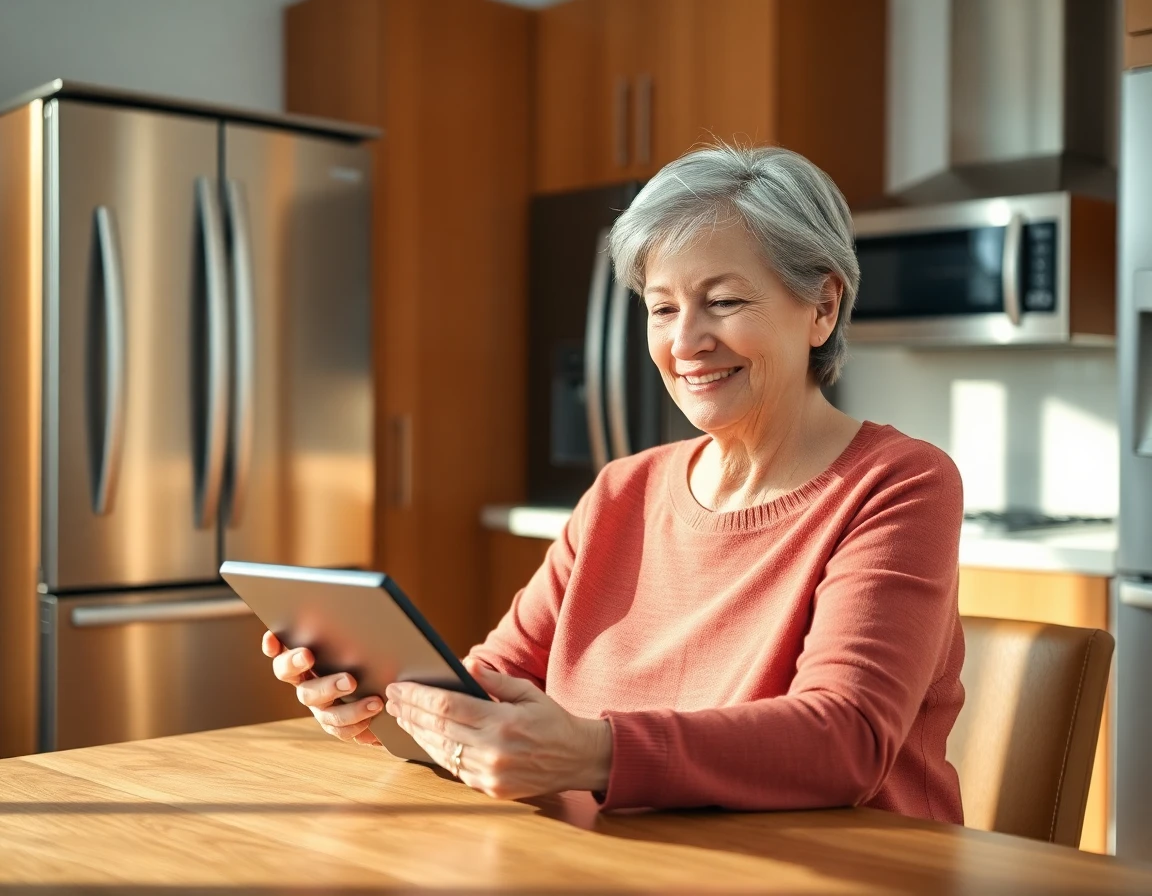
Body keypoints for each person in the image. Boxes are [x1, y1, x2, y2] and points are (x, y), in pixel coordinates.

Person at [263, 143, 966, 823]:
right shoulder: (622, 491)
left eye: (722, 302)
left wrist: (594, 752)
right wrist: (380, 704)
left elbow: (845, 741)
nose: (684, 341)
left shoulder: (897, 484)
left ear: (821, 307)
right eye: (662, 308)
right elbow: (497, 683)